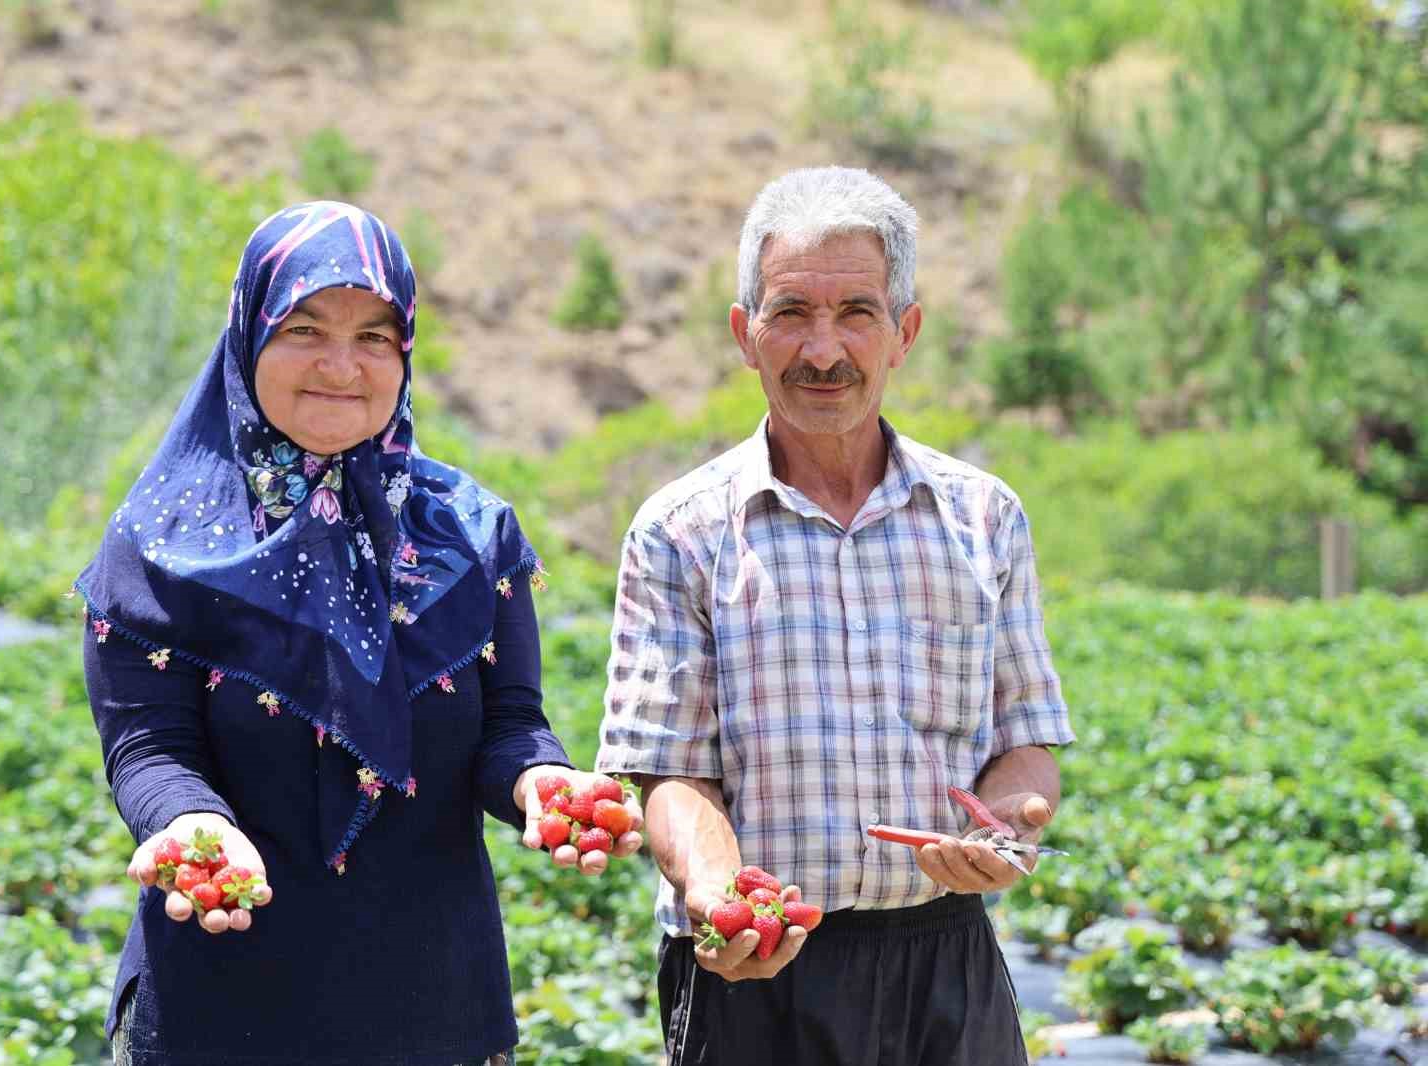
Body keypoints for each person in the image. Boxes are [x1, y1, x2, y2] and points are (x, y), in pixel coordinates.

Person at [79, 201, 642, 1066]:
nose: (342, 365)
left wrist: (543, 781)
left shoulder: (465, 533)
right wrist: (193, 823)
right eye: (305, 328)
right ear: (248, 334)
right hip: (217, 1008)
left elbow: (509, 723)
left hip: (435, 1008)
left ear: (405, 351)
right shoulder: (166, 539)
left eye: (375, 337)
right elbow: (149, 747)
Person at [595, 167, 1076, 1065]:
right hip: (758, 969)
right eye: (790, 314)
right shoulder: (682, 531)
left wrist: (1008, 817)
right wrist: (717, 887)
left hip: (946, 961)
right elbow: (667, 771)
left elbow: (1027, 739)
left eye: (857, 312)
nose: (824, 350)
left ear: (905, 332)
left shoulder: (984, 517)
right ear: (746, 334)